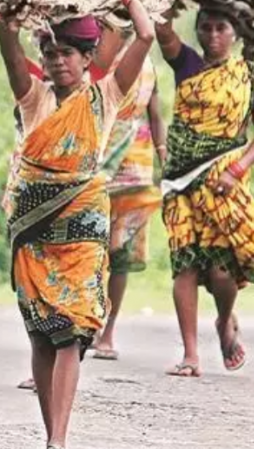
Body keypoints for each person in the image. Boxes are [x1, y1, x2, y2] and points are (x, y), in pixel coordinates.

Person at [0, 0, 154, 449]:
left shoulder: (105, 96)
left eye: (66, 52)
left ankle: (58, 440)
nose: (56, 61)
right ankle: (52, 434)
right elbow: (6, 45)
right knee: (43, 335)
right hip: (35, 232)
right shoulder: (33, 97)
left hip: (84, 229)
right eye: (49, 51)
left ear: (88, 58)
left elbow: (145, 34)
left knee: (73, 331)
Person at [155, 9, 254, 378]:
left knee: (223, 273)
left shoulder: (251, 78)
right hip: (180, 183)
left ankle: (224, 321)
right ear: (196, 31)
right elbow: (161, 33)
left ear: (236, 32)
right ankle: (190, 355)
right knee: (185, 264)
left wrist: (237, 170)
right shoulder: (188, 64)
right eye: (205, 28)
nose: (213, 36)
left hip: (223, 182)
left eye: (221, 28)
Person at [90, 29, 167, 360]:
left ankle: (108, 330)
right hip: (99, 156)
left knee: (120, 252)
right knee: (90, 244)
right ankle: (86, 320)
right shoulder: (99, 54)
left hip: (135, 164)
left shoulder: (147, 60)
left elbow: (156, 114)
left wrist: (165, 156)